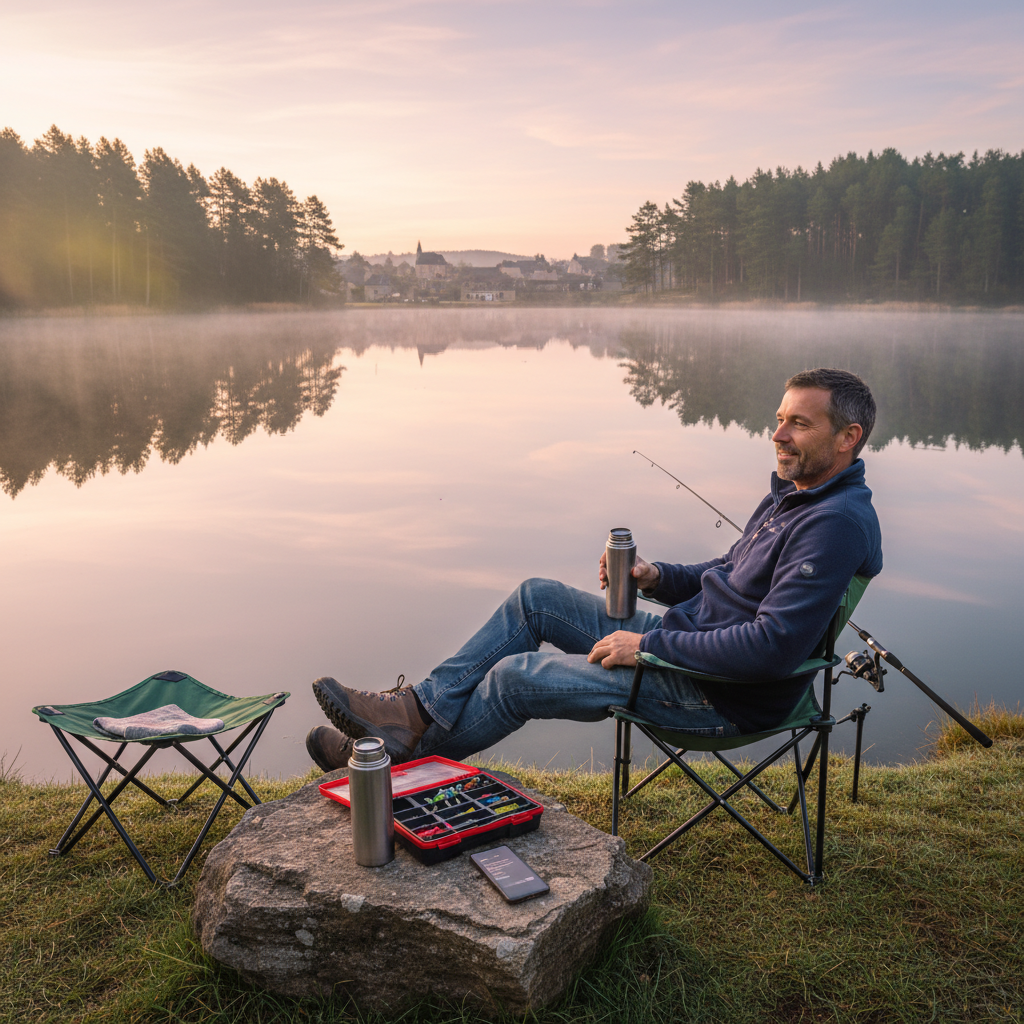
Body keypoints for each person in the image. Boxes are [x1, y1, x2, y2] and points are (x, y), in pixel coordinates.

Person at [305, 368, 883, 772]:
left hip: (718, 694)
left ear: (847, 438)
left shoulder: (835, 525)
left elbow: (775, 649)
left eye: (799, 425)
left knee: (516, 678)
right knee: (536, 598)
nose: (777, 435)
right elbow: (732, 573)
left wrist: (652, 650)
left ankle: (391, 762)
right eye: (779, 419)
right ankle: (414, 713)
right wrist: (656, 577)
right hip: (686, 646)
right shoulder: (796, 494)